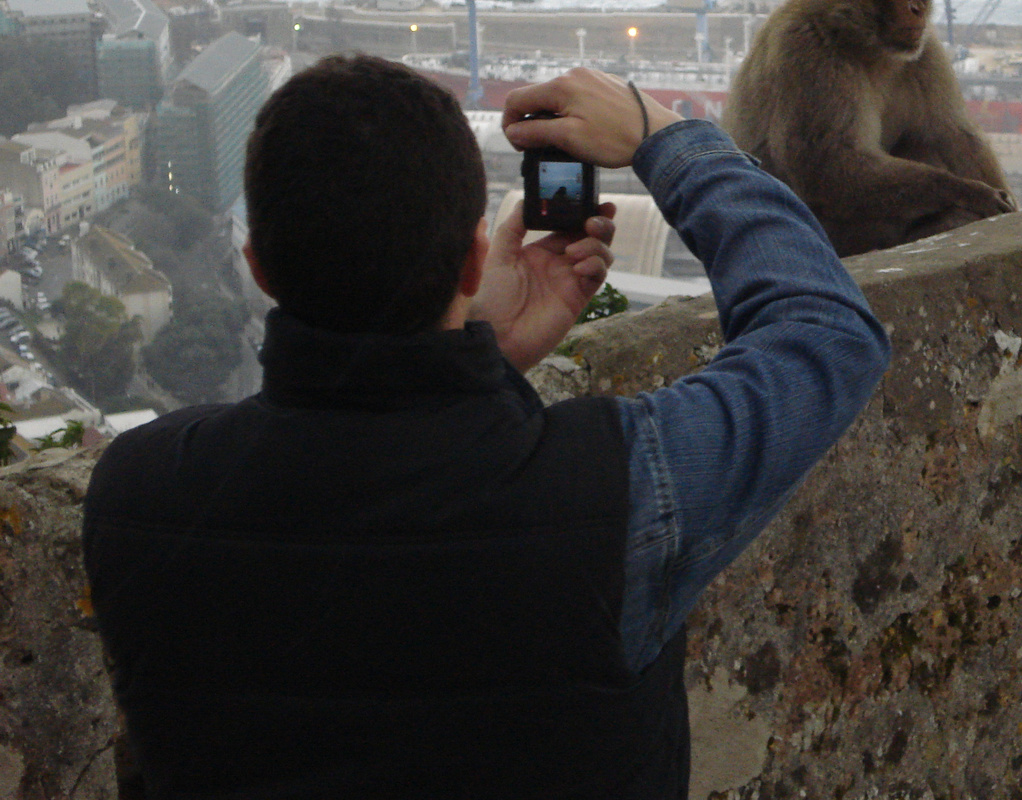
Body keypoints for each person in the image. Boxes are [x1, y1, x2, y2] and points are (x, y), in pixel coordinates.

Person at [82, 55, 890, 799]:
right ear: (473, 263)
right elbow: (826, 333)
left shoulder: (138, 492)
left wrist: (483, 359)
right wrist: (664, 134)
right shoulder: (617, 495)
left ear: (256, 266)